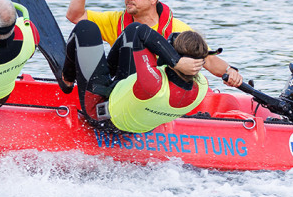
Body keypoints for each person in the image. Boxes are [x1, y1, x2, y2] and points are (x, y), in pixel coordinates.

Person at [65, 0, 243, 87]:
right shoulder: (115, 20)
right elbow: (75, 16)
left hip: (155, 97)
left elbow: (207, 59)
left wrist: (230, 72)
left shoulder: (177, 29)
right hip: (120, 90)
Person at [61, 19, 210, 133]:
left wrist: (175, 61)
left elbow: (140, 30)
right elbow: (135, 32)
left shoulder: (152, 83)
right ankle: (103, 73)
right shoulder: (202, 86)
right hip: (140, 121)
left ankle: (66, 79)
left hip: (102, 116)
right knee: (131, 31)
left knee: (86, 28)